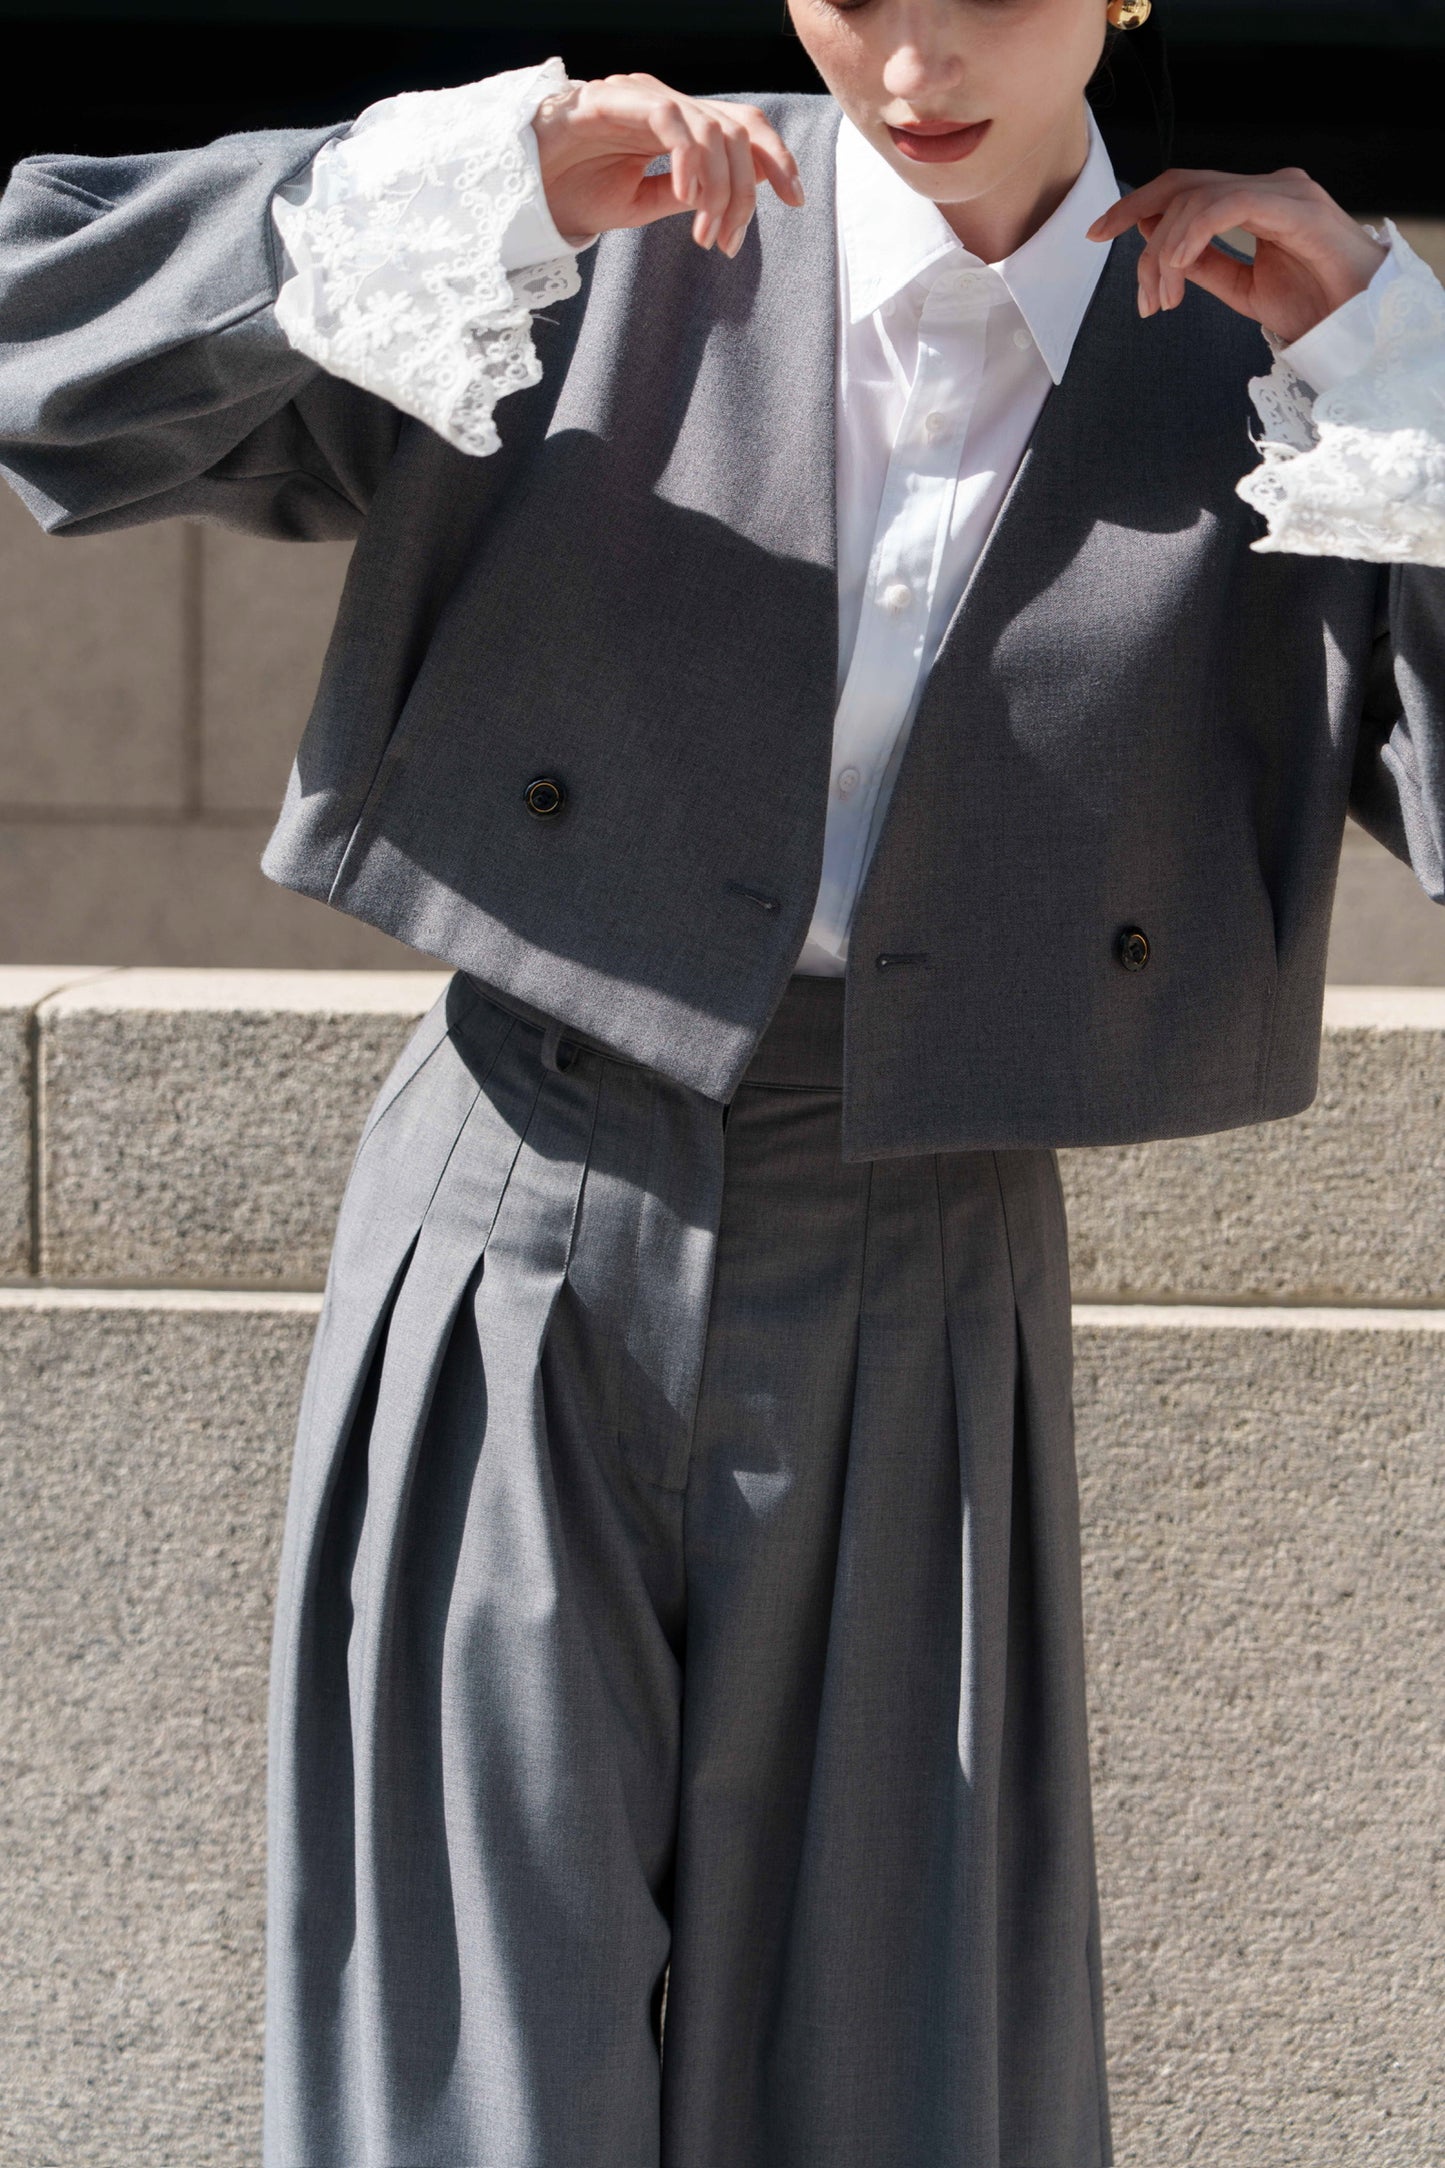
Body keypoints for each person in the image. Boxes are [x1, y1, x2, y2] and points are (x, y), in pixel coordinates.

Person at [1, 2, 1442, 2163]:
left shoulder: (1269, 364)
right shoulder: (598, 230)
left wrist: (1405, 363)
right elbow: (44, 349)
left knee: (896, 2067)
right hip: (511, 1193)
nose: (918, 60)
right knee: (459, 2065)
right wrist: (456, 189)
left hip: (925, 1238)